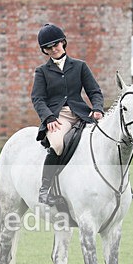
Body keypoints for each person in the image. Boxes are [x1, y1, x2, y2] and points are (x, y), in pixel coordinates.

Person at [31, 23, 104, 206]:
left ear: (63, 42)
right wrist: (48, 117)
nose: (53, 49)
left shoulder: (80, 66)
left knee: (107, 140)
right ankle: (45, 190)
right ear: (44, 50)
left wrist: (97, 108)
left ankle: (123, 186)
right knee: (57, 144)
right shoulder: (42, 72)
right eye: (48, 47)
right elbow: (38, 99)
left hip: (81, 113)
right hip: (58, 117)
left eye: (56, 44)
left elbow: (94, 91)